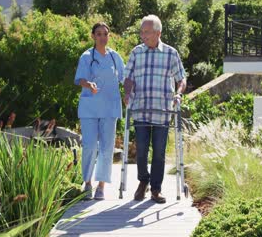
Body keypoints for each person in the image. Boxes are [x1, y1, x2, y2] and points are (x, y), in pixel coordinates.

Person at [123, 15, 186, 204]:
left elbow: (181, 78)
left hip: (163, 109)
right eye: (142, 32)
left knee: (159, 151)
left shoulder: (170, 53)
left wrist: (178, 94)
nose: (143, 35)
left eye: (147, 32)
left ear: (158, 33)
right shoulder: (136, 52)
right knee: (141, 149)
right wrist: (127, 93)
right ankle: (143, 181)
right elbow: (128, 77)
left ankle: (156, 189)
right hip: (141, 107)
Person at [74, 22, 124, 200]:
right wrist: (88, 84)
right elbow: (79, 79)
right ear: (93, 36)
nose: (103, 37)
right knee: (89, 146)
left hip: (110, 108)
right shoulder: (87, 56)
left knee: (106, 148)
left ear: (108, 36)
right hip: (90, 108)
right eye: (99, 34)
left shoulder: (114, 57)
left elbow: (125, 78)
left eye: (105, 34)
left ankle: (101, 186)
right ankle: (87, 183)